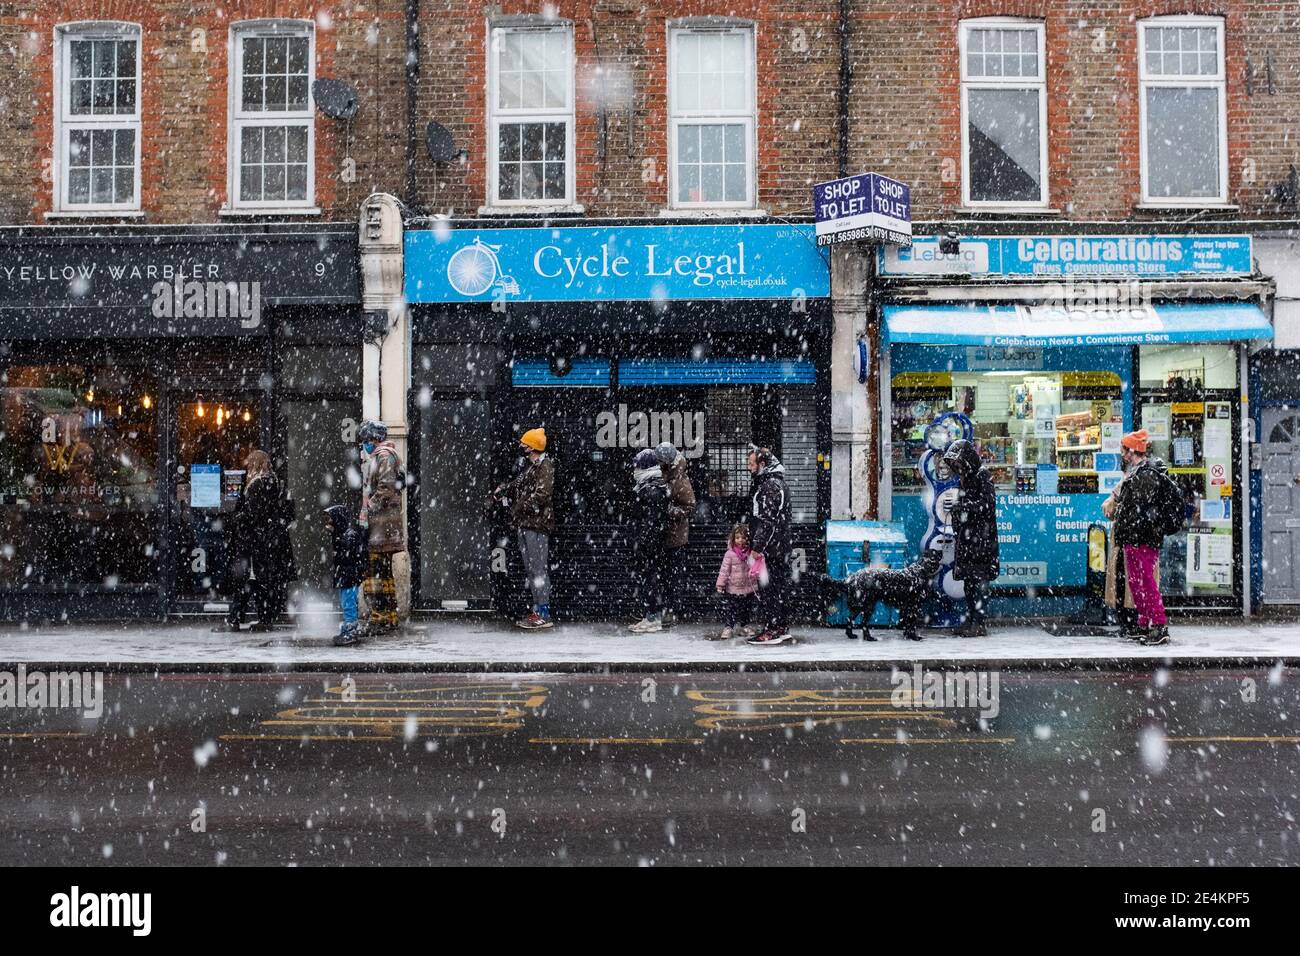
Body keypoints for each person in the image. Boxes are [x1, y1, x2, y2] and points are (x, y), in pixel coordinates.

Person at [1110, 429, 1172, 646]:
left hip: (1143, 537)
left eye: (1124, 449)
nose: (1122, 454)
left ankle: (1159, 624)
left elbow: (1138, 508)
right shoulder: (1136, 472)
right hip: (1132, 536)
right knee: (1136, 582)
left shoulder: (1147, 474)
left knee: (1146, 581)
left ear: (1132, 451)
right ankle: (1144, 621)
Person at [490, 427, 555, 629]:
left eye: (524, 444)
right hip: (526, 524)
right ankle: (538, 610)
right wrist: (504, 489)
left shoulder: (545, 467)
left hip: (536, 525)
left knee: (538, 569)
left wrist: (519, 505)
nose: (521, 446)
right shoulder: (532, 467)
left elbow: (542, 494)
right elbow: (518, 483)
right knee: (531, 568)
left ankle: (543, 612)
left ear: (533, 447)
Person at [941, 438, 1000, 637]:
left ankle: (979, 621)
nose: (957, 467)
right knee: (969, 582)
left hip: (981, 539)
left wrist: (964, 507)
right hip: (969, 538)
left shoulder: (982, 476)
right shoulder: (967, 477)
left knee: (979, 581)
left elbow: (987, 504)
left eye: (959, 463)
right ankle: (972, 618)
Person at [358, 420, 406, 634]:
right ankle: (389, 616)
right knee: (383, 572)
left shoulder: (384, 456)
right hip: (385, 525)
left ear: (374, 438)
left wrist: (369, 508)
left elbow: (386, 488)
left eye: (366, 440)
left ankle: (380, 617)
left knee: (375, 571)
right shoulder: (385, 455)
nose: (364, 445)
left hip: (382, 526)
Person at [240, 450, 294, 632]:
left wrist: (239, 519)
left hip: (261, 537)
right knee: (271, 578)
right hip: (275, 537)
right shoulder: (276, 482)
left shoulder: (257, 484)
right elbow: (284, 510)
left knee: (259, 578)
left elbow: (254, 514)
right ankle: (270, 613)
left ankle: (264, 616)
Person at [745, 444, 794, 646]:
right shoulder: (775, 483)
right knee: (778, 588)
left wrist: (757, 547)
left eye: (751, 464)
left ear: (762, 464)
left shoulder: (770, 486)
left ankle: (771, 630)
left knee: (769, 590)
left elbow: (768, 521)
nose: (749, 468)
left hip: (771, 550)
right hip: (779, 548)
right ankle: (780, 627)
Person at [628, 448, 670, 633]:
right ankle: (650, 616)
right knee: (651, 579)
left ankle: (652, 617)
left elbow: (652, 522)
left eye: (637, 467)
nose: (634, 470)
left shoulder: (652, 490)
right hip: (651, 543)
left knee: (651, 580)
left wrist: (644, 541)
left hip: (651, 544)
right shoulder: (652, 487)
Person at [657, 441, 696, 626]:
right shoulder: (670, 475)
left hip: (676, 535)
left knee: (672, 577)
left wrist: (669, 511)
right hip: (668, 534)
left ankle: (672, 611)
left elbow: (689, 505)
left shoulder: (679, 479)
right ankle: (668, 610)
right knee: (668, 576)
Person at [324, 504, 368, 646]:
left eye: (331, 519)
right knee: (346, 602)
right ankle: (347, 629)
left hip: (348, 576)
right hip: (345, 576)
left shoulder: (348, 536)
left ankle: (351, 631)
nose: (329, 522)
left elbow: (349, 558)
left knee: (349, 603)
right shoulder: (341, 535)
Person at [713, 523, 758, 641]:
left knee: (746, 609)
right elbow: (724, 570)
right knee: (732, 608)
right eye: (737, 538)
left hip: (748, 587)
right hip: (733, 587)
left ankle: (744, 626)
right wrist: (720, 584)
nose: (740, 540)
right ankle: (728, 627)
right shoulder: (730, 554)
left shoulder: (750, 553)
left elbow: (756, 567)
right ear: (733, 539)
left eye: (743, 538)